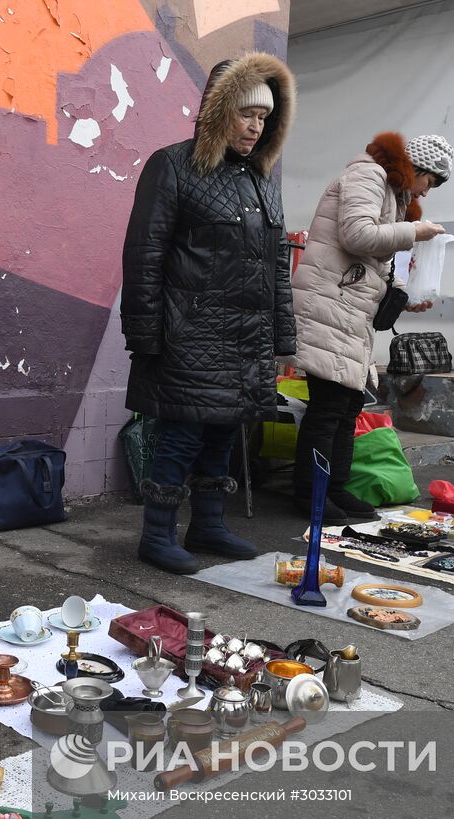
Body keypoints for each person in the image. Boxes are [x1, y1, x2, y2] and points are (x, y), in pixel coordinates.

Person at [120, 52, 297, 575]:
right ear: (219, 112)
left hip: (244, 334)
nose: (255, 127)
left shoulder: (263, 180)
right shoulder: (173, 165)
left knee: (226, 428)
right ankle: (157, 534)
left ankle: (209, 524)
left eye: (264, 118)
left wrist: (282, 338)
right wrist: (146, 331)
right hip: (190, 331)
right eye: (247, 114)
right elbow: (145, 252)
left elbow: (276, 265)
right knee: (183, 432)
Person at [289, 133, 452, 521]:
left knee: (347, 406)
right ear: (416, 169)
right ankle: (310, 496)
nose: (426, 193)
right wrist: (416, 232)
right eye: (429, 182)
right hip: (330, 306)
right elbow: (357, 235)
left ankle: (335, 489)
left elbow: (374, 266)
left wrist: (405, 299)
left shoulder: (389, 192)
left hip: (348, 310)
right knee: (328, 407)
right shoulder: (369, 176)